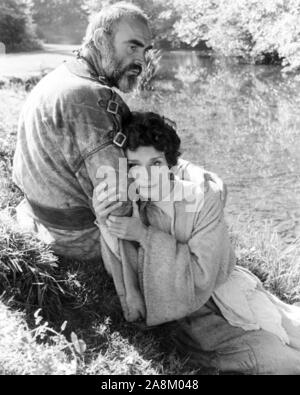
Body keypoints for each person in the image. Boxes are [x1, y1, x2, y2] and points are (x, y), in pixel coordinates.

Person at [13, 2, 225, 263]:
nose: (141, 60)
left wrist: (183, 170)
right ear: (101, 39)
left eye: (145, 50)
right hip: (78, 238)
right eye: (132, 46)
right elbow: (119, 205)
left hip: (40, 217)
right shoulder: (90, 98)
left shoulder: (62, 76)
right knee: (193, 217)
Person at [96, 112, 300, 375]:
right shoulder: (130, 205)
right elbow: (125, 274)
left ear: (170, 164)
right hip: (188, 315)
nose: (145, 176)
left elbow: (203, 274)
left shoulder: (202, 198)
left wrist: (145, 236)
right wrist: (105, 221)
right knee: (286, 363)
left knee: (293, 334)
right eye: (134, 165)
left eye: (155, 163)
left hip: (223, 289)